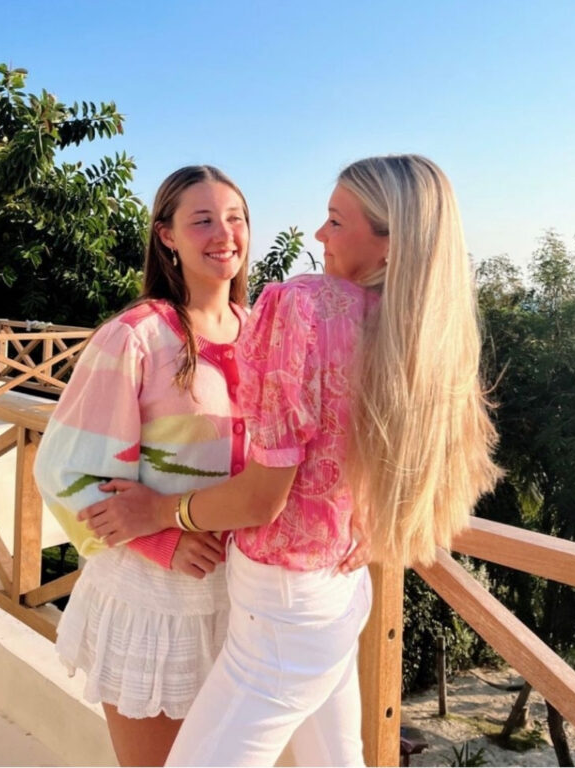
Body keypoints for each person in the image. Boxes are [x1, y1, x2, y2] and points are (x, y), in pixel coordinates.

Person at [78, 154, 502, 766]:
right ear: (166, 237)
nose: (317, 235)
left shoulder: (300, 306)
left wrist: (161, 514)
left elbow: (260, 497)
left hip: (281, 606)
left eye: (335, 221)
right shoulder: (418, 330)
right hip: (339, 588)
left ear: (391, 242)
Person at [33, 165, 251, 766]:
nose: (224, 234)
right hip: (159, 605)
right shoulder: (134, 337)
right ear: (166, 237)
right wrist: (161, 541)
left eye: (235, 218)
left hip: (248, 602)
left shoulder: (264, 335)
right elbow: (65, 469)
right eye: (202, 219)